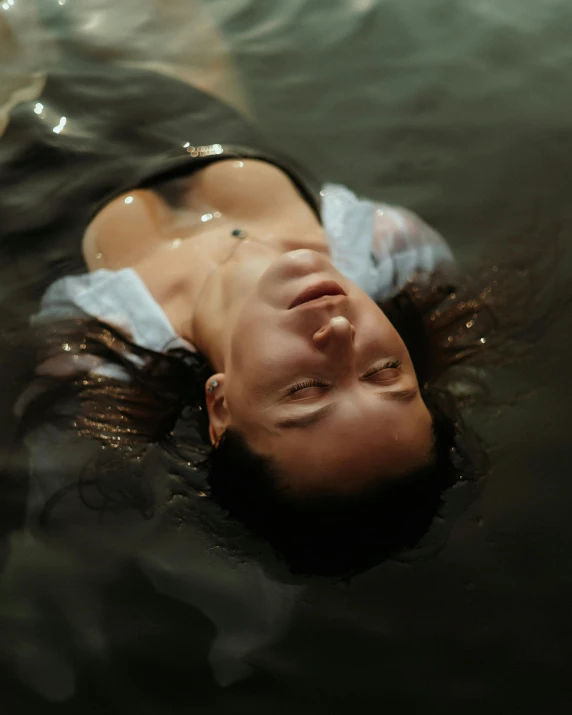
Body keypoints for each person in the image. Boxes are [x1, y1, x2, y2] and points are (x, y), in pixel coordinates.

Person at [3, 49, 545, 577]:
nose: (339, 332)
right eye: (385, 373)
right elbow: (200, 66)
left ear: (220, 409)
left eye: (307, 389)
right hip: (171, 84)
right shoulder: (393, 251)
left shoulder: (97, 342)